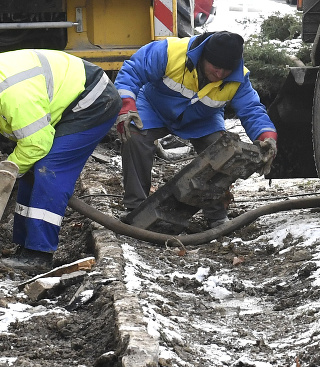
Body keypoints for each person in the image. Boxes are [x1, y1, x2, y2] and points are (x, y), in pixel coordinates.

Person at [0, 49, 121, 272]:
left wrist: (8, 171)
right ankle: (24, 246)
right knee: (29, 171)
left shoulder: (12, 94)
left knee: (48, 170)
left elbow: (36, 144)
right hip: (65, 101)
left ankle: (38, 255)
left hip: (92, 101)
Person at [114, 31, 278, 228]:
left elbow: (251, 109)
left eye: (226, 70)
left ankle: (216, 215)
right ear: (203, 57)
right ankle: (136, 208)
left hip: (203, 119)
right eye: (215, 67)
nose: (220, 74)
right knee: (135, 137)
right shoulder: (170, 51)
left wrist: (267, 136)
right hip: (154, 107)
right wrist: (126, 104)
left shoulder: (238, 77)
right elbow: (133, 70)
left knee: (224, 153)